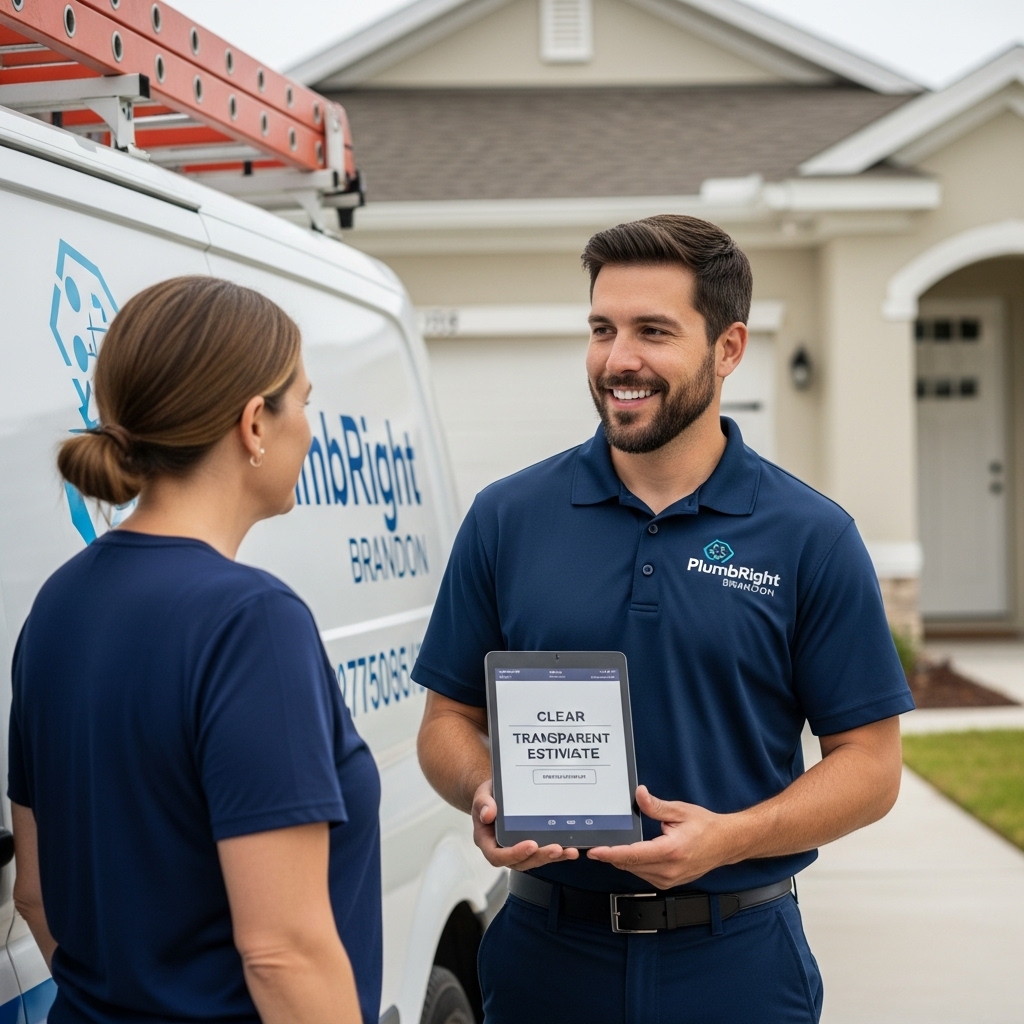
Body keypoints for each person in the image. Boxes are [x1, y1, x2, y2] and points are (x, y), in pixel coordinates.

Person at [413, 215, 915, 1023]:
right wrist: (484, 790)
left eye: (653, 331)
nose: (619, 360)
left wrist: (734, 836)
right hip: (546, 954)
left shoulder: (809, 535)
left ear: (729, 348)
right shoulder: (507, 518)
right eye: (602, 329)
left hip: (737, 963)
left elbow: (871, 765)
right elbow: (446, 722)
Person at [8, 277, 381, 1024]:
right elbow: (283, 952)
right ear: (253, 423)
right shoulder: (251, 622)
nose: (311, 426)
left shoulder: (58, 602)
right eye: (304, 401)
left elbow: (36, 893)